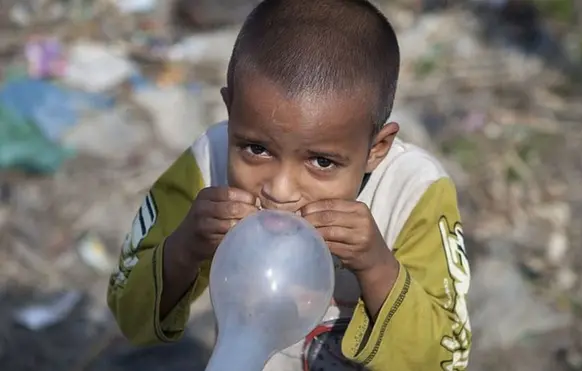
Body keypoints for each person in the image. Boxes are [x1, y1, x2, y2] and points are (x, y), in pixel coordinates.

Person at [107, 0, 472, 370]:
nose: (280, 191)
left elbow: (446, 359)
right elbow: (130, 316)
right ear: (231, 110)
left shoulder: (412, 191)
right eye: (256, 149)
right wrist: (186, 245)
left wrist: (377, 266)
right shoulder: (209, 165)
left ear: (376, 148)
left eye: (322, 162)